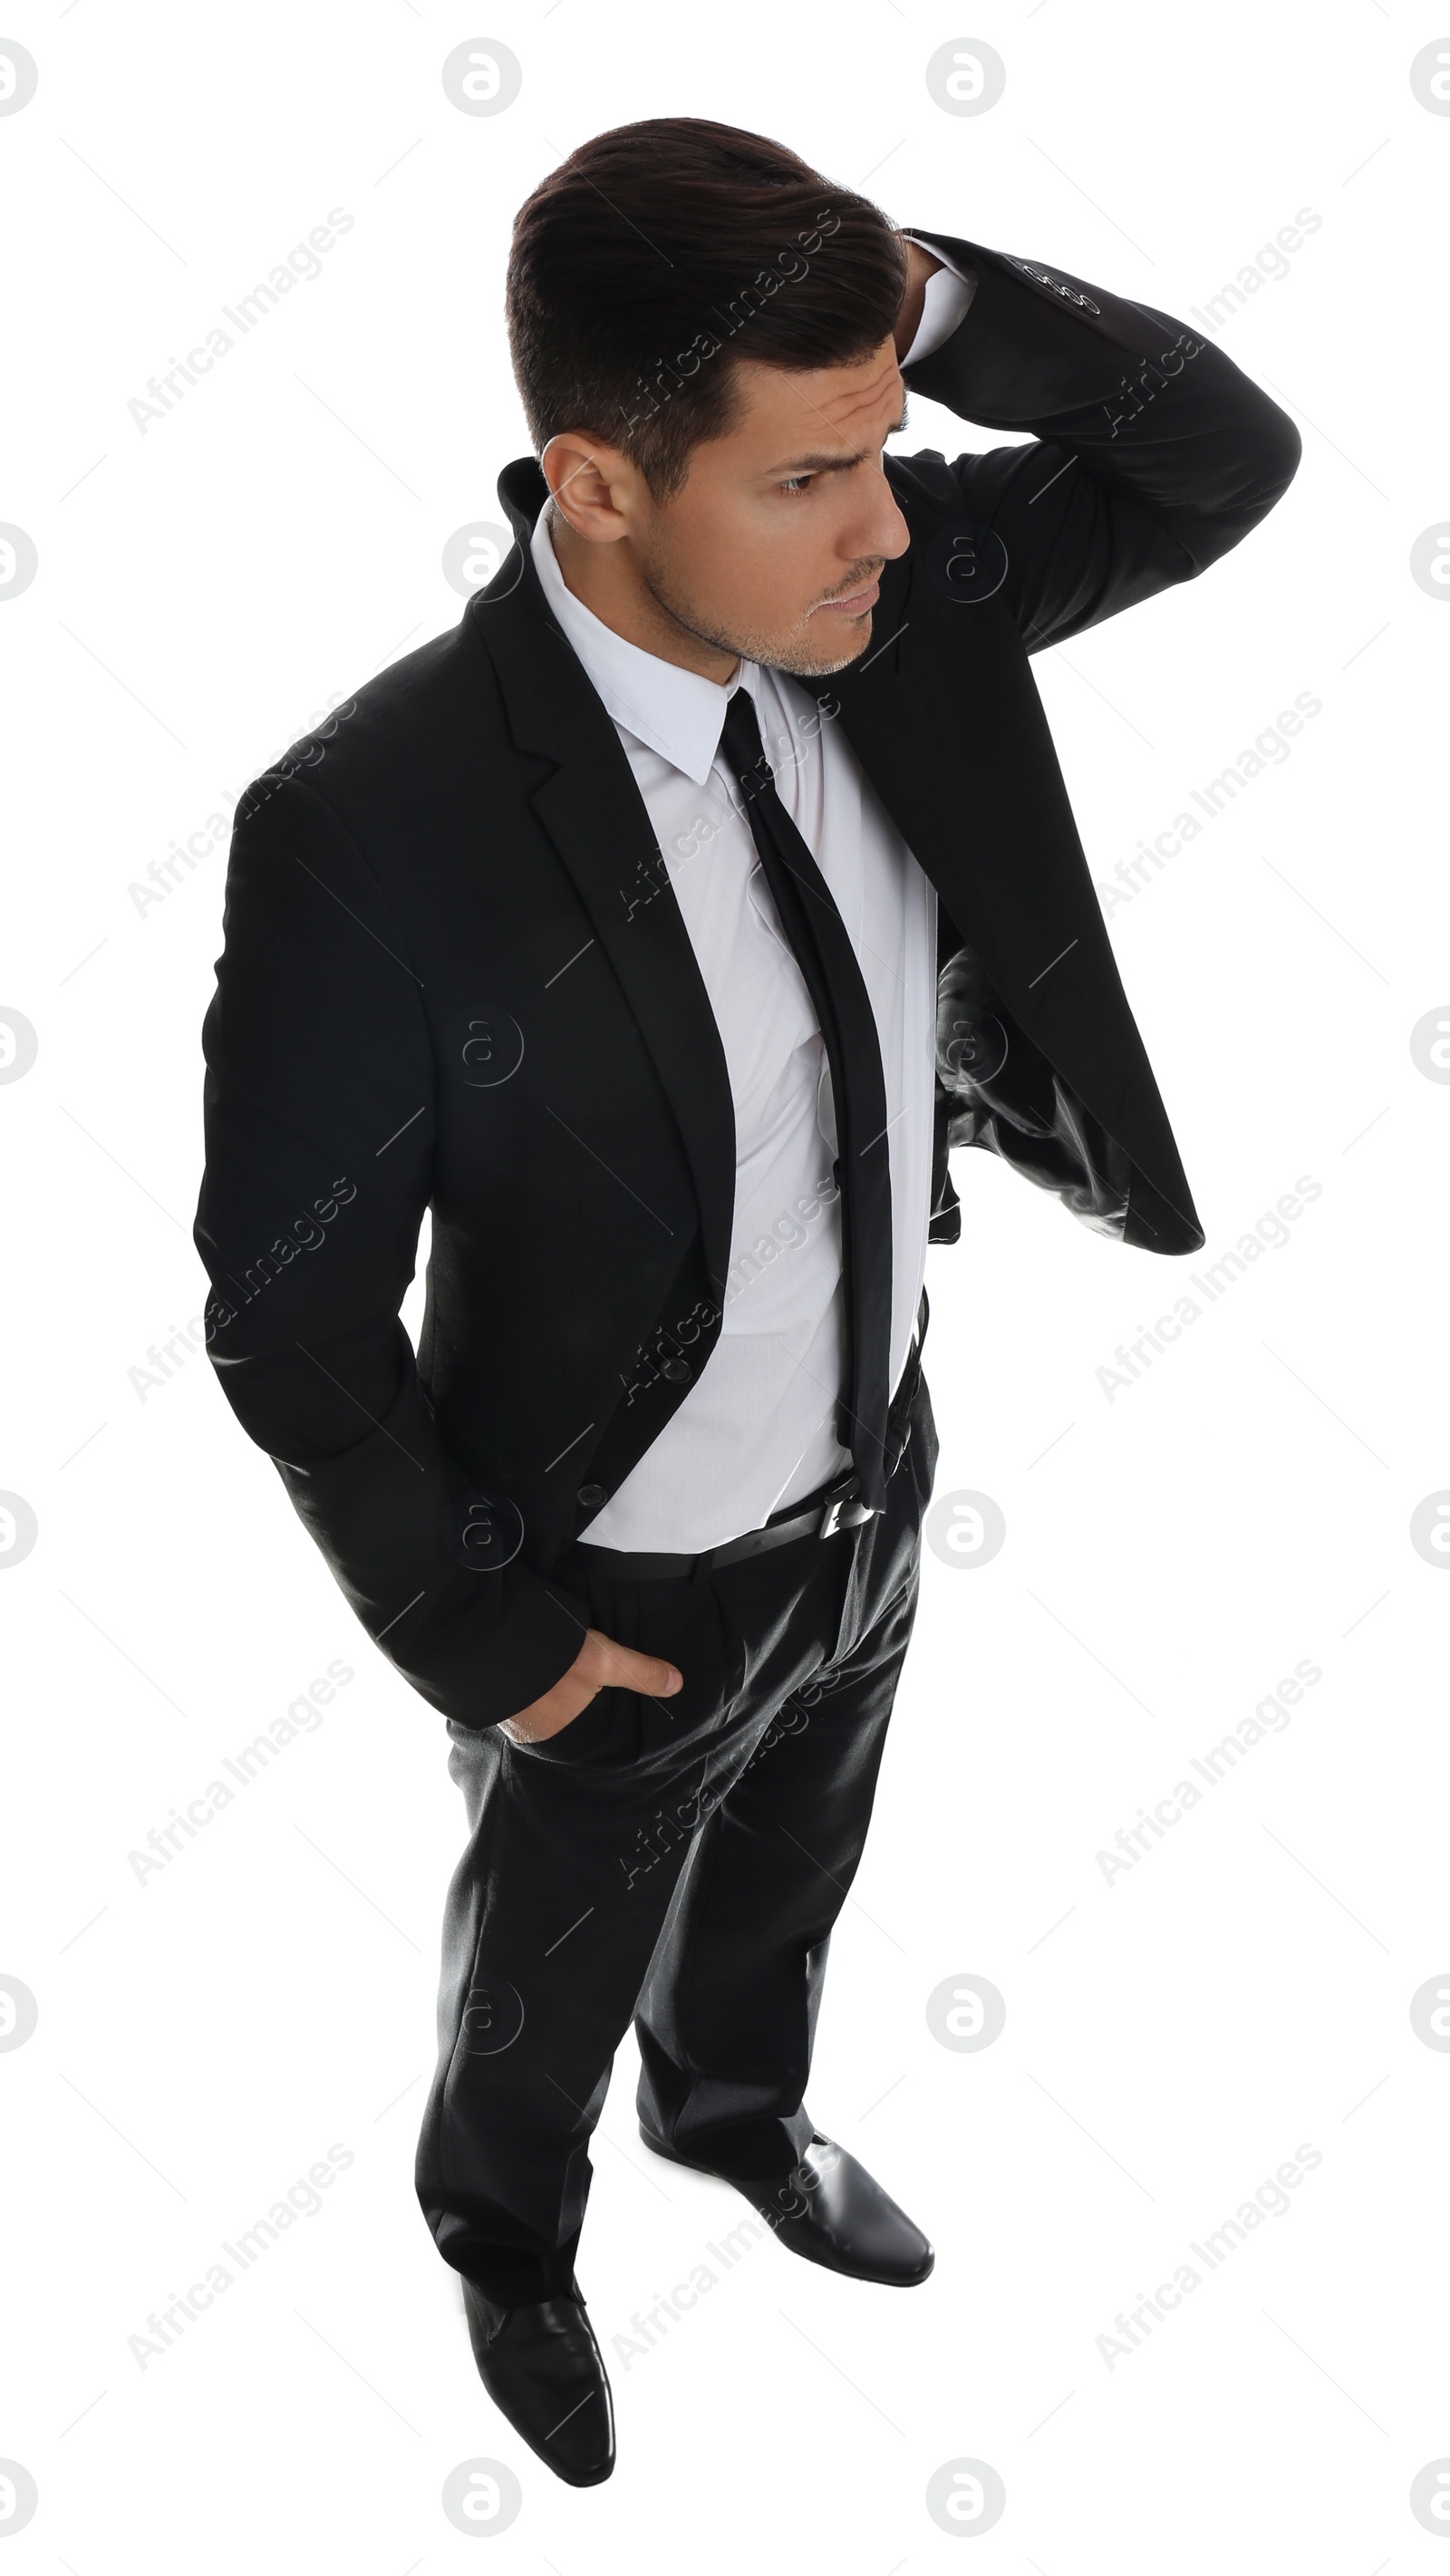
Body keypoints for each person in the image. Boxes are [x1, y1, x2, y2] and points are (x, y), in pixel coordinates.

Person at [193, 115, 1299, 2486]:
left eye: (890, 447)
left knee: (799, 1854)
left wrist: (940, 301)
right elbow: (283, 1310)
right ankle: (506, 2227)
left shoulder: (893, 592)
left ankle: (738, 2110)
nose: (889, 520)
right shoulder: (375, 824)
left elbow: (1224, 453)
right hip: (611, 1564)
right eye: (813, 473)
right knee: (546, 1960)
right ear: (596, 481)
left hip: (875, 1472)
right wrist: (487, 1635)